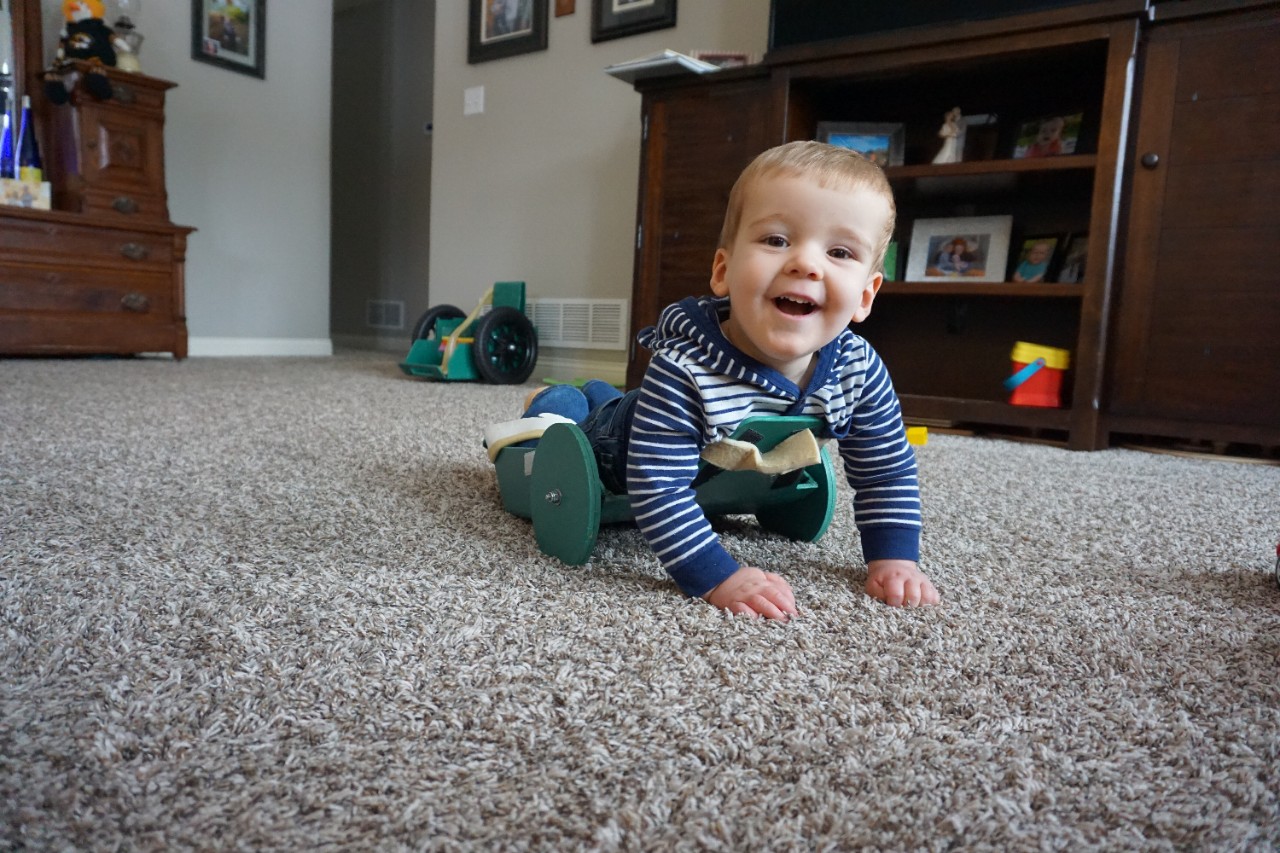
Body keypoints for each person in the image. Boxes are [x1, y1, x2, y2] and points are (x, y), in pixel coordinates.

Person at [520, 141, 939, 620]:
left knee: (609, 398)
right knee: (572, 414)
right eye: (777, 240)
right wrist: (716, 575)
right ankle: (554, 400)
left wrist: (895, 557)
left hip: (699, 448)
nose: (806, 263)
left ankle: (598, 393)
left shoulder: (858, 370)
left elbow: (886, 468)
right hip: (617, 449)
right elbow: (658, 487)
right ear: (723, 270)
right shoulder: (685, 368)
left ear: (865, 295)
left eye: (840, 251)